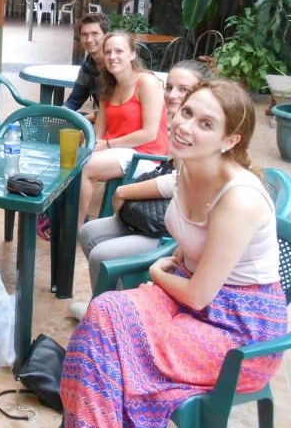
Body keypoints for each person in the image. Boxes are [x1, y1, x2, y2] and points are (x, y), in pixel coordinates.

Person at [61, 80, 288, 427]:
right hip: (191, 298)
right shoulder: (188, 165)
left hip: (239, 330)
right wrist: (182, 251)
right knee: (103, 314)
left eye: (206, 124)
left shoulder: (239, 199)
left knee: (115, 345)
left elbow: (197, 295)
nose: (185, 126)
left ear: (230, 141)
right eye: (187, 112)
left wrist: (156, 273)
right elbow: (195, 228)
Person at [67, 59, 214, 321]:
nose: (172, 95)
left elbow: (177, 184)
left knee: (101, 254)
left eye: (184, 90)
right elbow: (175, 178)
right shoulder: (178, 126)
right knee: (89, 232)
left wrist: (125, 192)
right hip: (167, 218)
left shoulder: (204, 140)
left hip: (175, 234)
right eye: (169, 87)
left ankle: (106, 318)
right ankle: (115, 306)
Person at [78, 30, 169, 229]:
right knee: (71, 160)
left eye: (119, 51)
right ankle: (63, 219)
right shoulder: (108, 87)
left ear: (132, 54)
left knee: (83, 167)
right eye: (108, 52)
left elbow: (149, 133)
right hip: (117, 151)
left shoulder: (147, 83)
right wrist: (87, 144)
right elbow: (98, 132)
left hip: (146, 155)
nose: (112, 57)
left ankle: (73, 228)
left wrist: (108, 144)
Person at [63, 13, 109, 123]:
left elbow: (116, 110)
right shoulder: (87, 65)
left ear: (106, 36)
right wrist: (61, 113)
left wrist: (83, 120)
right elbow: (74, 100)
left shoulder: (115, 65)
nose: (89, 39)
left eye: (95, 34)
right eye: (84, 34)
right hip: (102, 123)